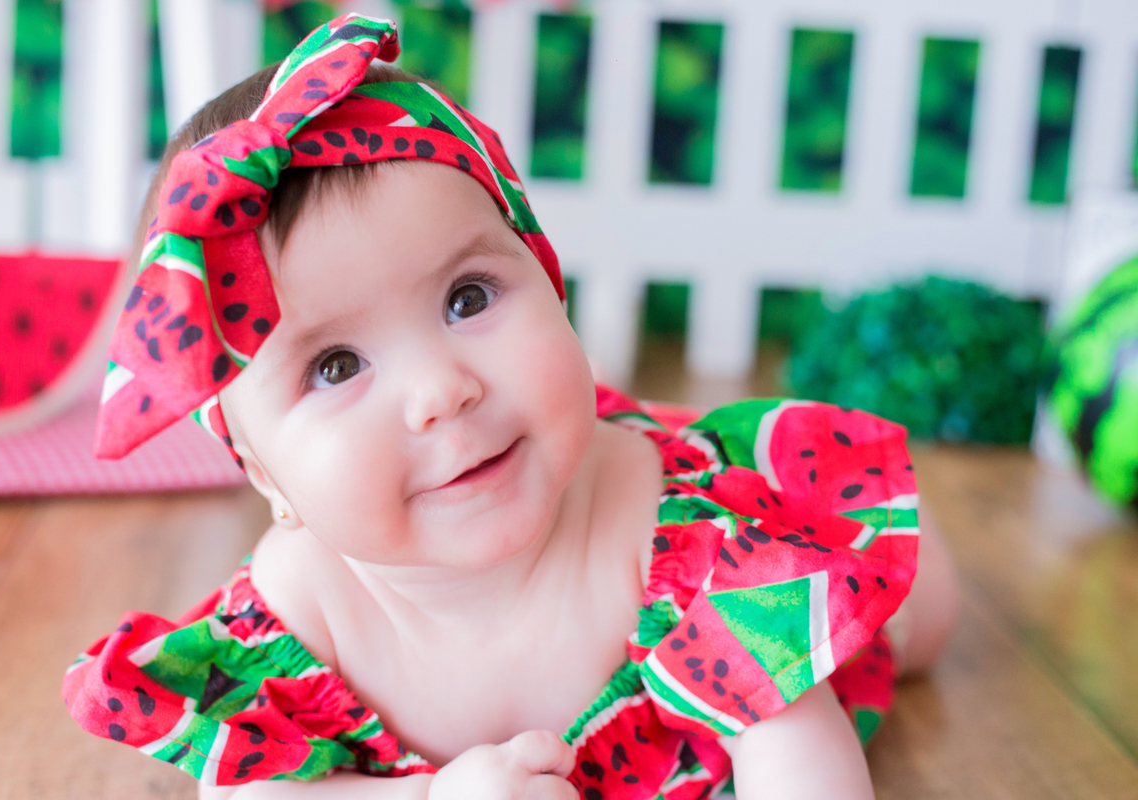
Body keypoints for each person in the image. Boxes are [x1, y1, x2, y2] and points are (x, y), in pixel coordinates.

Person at [63, 14, 957, 800]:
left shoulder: (665, 532)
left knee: (913, 623)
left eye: (469, 298)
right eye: (336, 366)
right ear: (261, 471)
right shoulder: (303, 603)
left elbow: (789, 733)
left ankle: (901, 577)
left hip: (736, 599)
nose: (442, 390)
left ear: (544, 271)